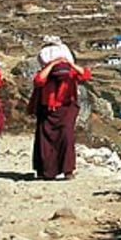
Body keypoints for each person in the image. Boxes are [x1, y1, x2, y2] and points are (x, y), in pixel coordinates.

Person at [30, 36, 88, 181]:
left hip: (66, 108)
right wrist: (52, 64)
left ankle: (68, 170)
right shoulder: (47, 74)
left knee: (67, 137)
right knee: (44, 139)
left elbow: (85, 74)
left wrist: (70, 64)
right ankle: (45, 171)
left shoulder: (69, 73)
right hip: (47, 109)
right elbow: (38, 81)